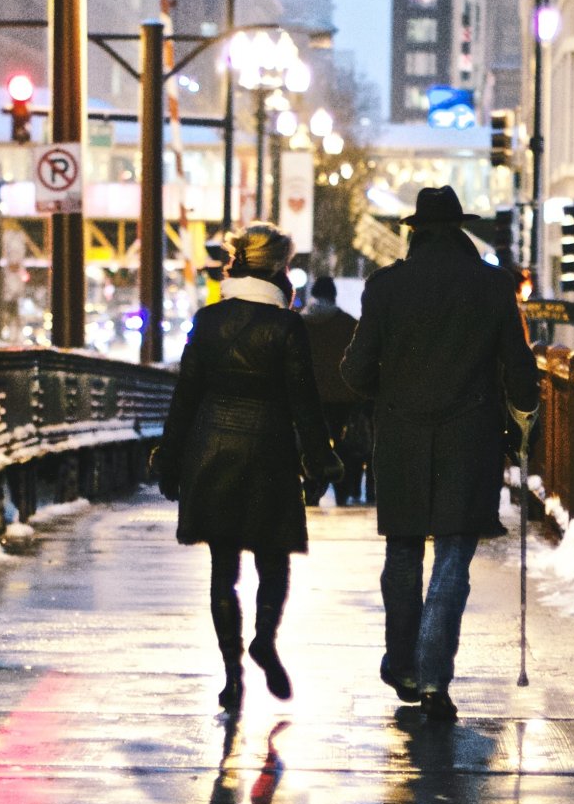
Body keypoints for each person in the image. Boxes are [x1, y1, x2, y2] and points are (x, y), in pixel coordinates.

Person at [341, 186, 541, 723]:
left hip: (402, 439)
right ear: (459, 230)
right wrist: (525, 416)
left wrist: (393, 387)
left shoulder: (385, 288)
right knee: (453, 556)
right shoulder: (492, 287)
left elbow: (356, 372)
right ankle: (433, 679)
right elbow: (520, 370)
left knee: (402, 552)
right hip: (469, 437)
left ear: (413, 232)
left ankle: (402, 663)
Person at [155, 224, 342, 712]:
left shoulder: (208, 320)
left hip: (212, 450)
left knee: (223, 568)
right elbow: (305, 402)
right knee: (272, 559)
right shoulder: (286, 327)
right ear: (280, 269)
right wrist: (320, 461)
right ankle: (263, 639)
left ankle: (232, 675)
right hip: (270, 453)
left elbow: (185, 396)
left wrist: (169, 459)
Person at [299, 276, 369, 505]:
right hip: (342, 396)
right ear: (333, 295)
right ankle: (342, 491)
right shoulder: (349, 324)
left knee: (311, 443)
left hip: (310, 396)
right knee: (343, 446)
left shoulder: (300, 324)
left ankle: (311, 487)